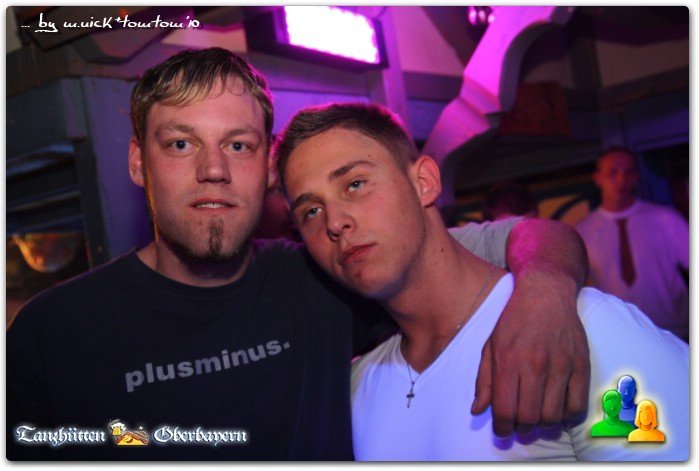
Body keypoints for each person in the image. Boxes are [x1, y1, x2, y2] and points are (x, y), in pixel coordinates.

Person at [7, 48, 589, 461]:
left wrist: (544, 291)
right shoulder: (52, 333)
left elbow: (518, 240)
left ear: (266, 168)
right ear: (139, 162)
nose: (213, 170)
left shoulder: (328, 271)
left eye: (238, 145)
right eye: (181, 143)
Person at [275, 102, 688, 461]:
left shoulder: (580, 329)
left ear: (424, 183)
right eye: (311, 211)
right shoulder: (358, 386)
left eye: (355, 184)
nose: (334, 222)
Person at [575, 147, 689, 342]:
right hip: (619, 335)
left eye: (628, 172)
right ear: (598, 178)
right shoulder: (582, 231)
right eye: (613, 172)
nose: (621, 180)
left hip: (674, 331)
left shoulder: (666, 219)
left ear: (636, 176)